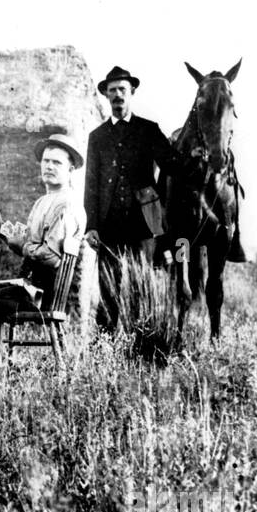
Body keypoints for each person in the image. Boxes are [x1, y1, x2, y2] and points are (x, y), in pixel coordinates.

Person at [0, 133, 86, 369]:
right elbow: (30, 247)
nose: (49, 167)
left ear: (71, 169)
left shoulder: (67, 203)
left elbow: (51, 257)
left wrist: (25, 246)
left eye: (57, 162)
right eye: (46, 161)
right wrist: (1, 228)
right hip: (32, 287)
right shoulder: (43, 201)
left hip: (43, 296)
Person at [83, 66, 177, 331]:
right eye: (112, 91)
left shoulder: (148, 130)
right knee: (109, 287)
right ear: (106, 96)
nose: (117, 95)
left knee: (141, 285)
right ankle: (108, 343)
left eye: (122, 89)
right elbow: (91, 184)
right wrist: (91, 225)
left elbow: (171, 165)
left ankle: (141, 341)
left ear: (132, 92)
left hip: (142, 224)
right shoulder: (97, 137)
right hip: (109, 225)